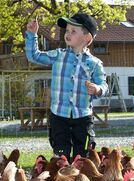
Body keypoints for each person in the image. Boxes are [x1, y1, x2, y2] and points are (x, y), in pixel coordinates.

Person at [25, 12, 108, 161]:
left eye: (73, 31)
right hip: (59, 117)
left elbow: (103, 85)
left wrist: (97, 89)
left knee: (81, 158)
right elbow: (34, 56)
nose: (67, 34)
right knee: (60, 157)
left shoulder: (95, 63)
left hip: (83, 118)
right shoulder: (59, 55)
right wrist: (32, 35)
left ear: (87, 37)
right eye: (67, 31)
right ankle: (61, 180)